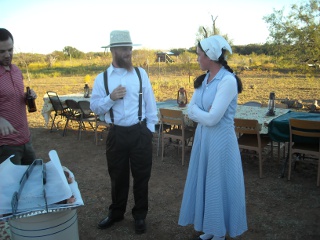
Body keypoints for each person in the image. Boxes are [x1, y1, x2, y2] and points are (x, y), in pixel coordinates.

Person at [178, 35, 248, 240]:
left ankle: (219, 232)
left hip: (220, 141)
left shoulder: (227, 81)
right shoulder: (204, 80)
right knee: (206, 181)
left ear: (210, 56)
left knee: (218, 183)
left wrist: (200, 113)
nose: (197, 59)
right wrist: (202, 113)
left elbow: (213, 118)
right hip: (203, 139)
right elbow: (192, 108)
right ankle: (211, 226)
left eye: (199, 55)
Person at [90, 30, 158, 234]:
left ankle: (139, 215)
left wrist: (149, 130)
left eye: (129, 48)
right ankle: (116, 213)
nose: (128, 52)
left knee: (141, 177)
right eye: (124, 48)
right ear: (113, 50)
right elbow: (94, 107)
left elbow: (150, 103)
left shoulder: (140, 74)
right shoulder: (102, 79)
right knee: (117, 177)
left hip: (139, 133)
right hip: (116, 134)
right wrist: (110, 98)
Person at [0, 28, 37, 165]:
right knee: (12, 186)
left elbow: (11, 97)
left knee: (33, 179)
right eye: (2, 51)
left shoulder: (16, 70)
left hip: (26, 139)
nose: (7, 55)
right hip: (6, 146)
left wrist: (27, 96)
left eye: (10, 50)